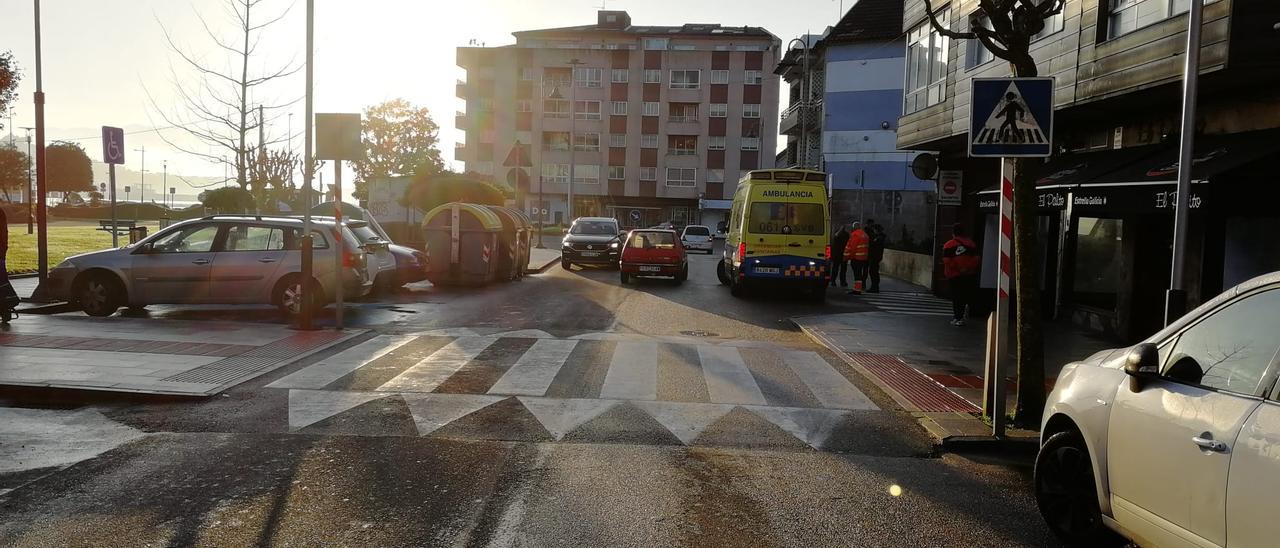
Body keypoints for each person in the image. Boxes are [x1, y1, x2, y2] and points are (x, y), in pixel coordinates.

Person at [942, 223, 981, 326]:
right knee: (964, 295)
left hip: (954, 275)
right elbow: (976, 259)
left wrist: (958, 269)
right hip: (969, 275)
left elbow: (946, 260)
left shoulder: (948, 245)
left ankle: (957, 317)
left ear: (953, 233)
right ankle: (962, 315)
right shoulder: (971, 244)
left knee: (956, 296)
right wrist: (967, 268)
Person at [844, 221, 870, 295]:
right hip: (863, 258)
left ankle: (857, 290)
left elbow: (852, 248)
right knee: (860, 274)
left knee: (857, 274)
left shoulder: (855, 234)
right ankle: (858, 288)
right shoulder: (865, 235)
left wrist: (847, 257)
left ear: (854, 227)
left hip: (856, 257)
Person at [865, 219, 886, 293]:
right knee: (873, 272)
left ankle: (875, 287)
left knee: (873, 272)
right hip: (875, 256)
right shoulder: (879, 237)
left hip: (875, 257)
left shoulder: (879, 238)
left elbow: (874, 246)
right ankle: (874, 286)